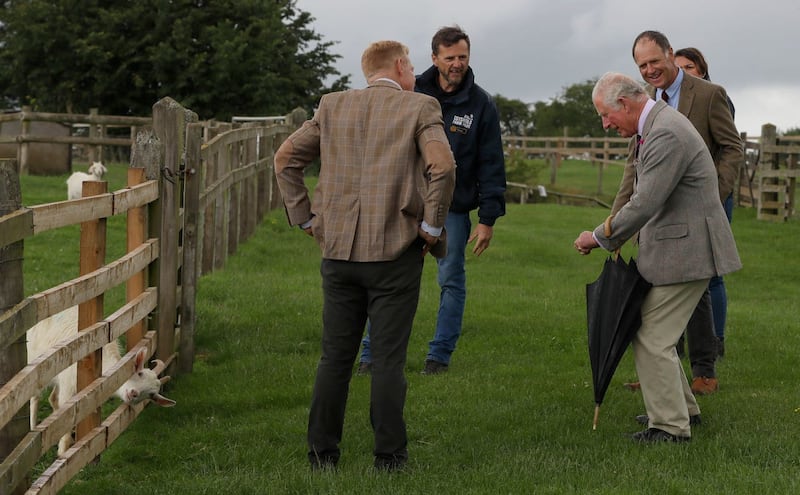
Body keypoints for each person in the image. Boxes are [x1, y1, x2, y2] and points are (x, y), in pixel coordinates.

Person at [274, 40, 456, 471]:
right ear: (399, 66)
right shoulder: (420, 107)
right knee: (389, 360)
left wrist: (304, 218)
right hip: (395, 254)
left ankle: (322, 455)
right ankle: (389, 457)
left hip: (337, 253)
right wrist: (431, 226)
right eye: (411, 64)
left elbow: (285, 159)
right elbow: (444, 167)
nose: (414, 72)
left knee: (334, 357)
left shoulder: (332, 106)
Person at [575, 72, 741, 443]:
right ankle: (682, 410)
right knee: (651, 330)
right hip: (683, 248)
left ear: (627, 103)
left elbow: (645, 201)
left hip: (689, 250)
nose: (605, 125)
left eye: (606, 115)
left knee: (651, 335)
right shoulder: (655, 125)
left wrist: (599, 236)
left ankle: (670, 427)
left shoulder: (664, 132)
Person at [358, 25, 506, 375]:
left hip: (452, 207)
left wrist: (488, 218)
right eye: (450, 57)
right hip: (405, 200)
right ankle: (371, 354)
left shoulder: (481, 103)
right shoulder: (410, 91)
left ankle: (438, 356)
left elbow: (491, 162)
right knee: (385, 276)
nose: (457, 64)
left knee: (450, 279)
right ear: (435, 57)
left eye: (463, 57)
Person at [614, 31, 744, 395]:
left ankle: (704, 370)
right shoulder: (646, 101)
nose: (650, 70)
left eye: (656, 61)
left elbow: (731, 148)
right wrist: (616, 223)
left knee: (701, 284)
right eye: (642, 65)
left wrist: (714, 195)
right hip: (655, 210)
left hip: (701, 205)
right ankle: (660, 368)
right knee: (655, 282)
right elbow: (633, 167)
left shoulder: (708, 94)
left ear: (670, 54)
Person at [674, 46, 735, 358]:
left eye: (689, 66)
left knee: (711, 274)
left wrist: (719, 191)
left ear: (701, 68)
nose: (684, 71)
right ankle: (680, 342)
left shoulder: (714, 96)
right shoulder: (667, 101)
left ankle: (714, 341)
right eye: (679, 66)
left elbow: (729, 146)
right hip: (679, 201)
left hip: (713, 197)